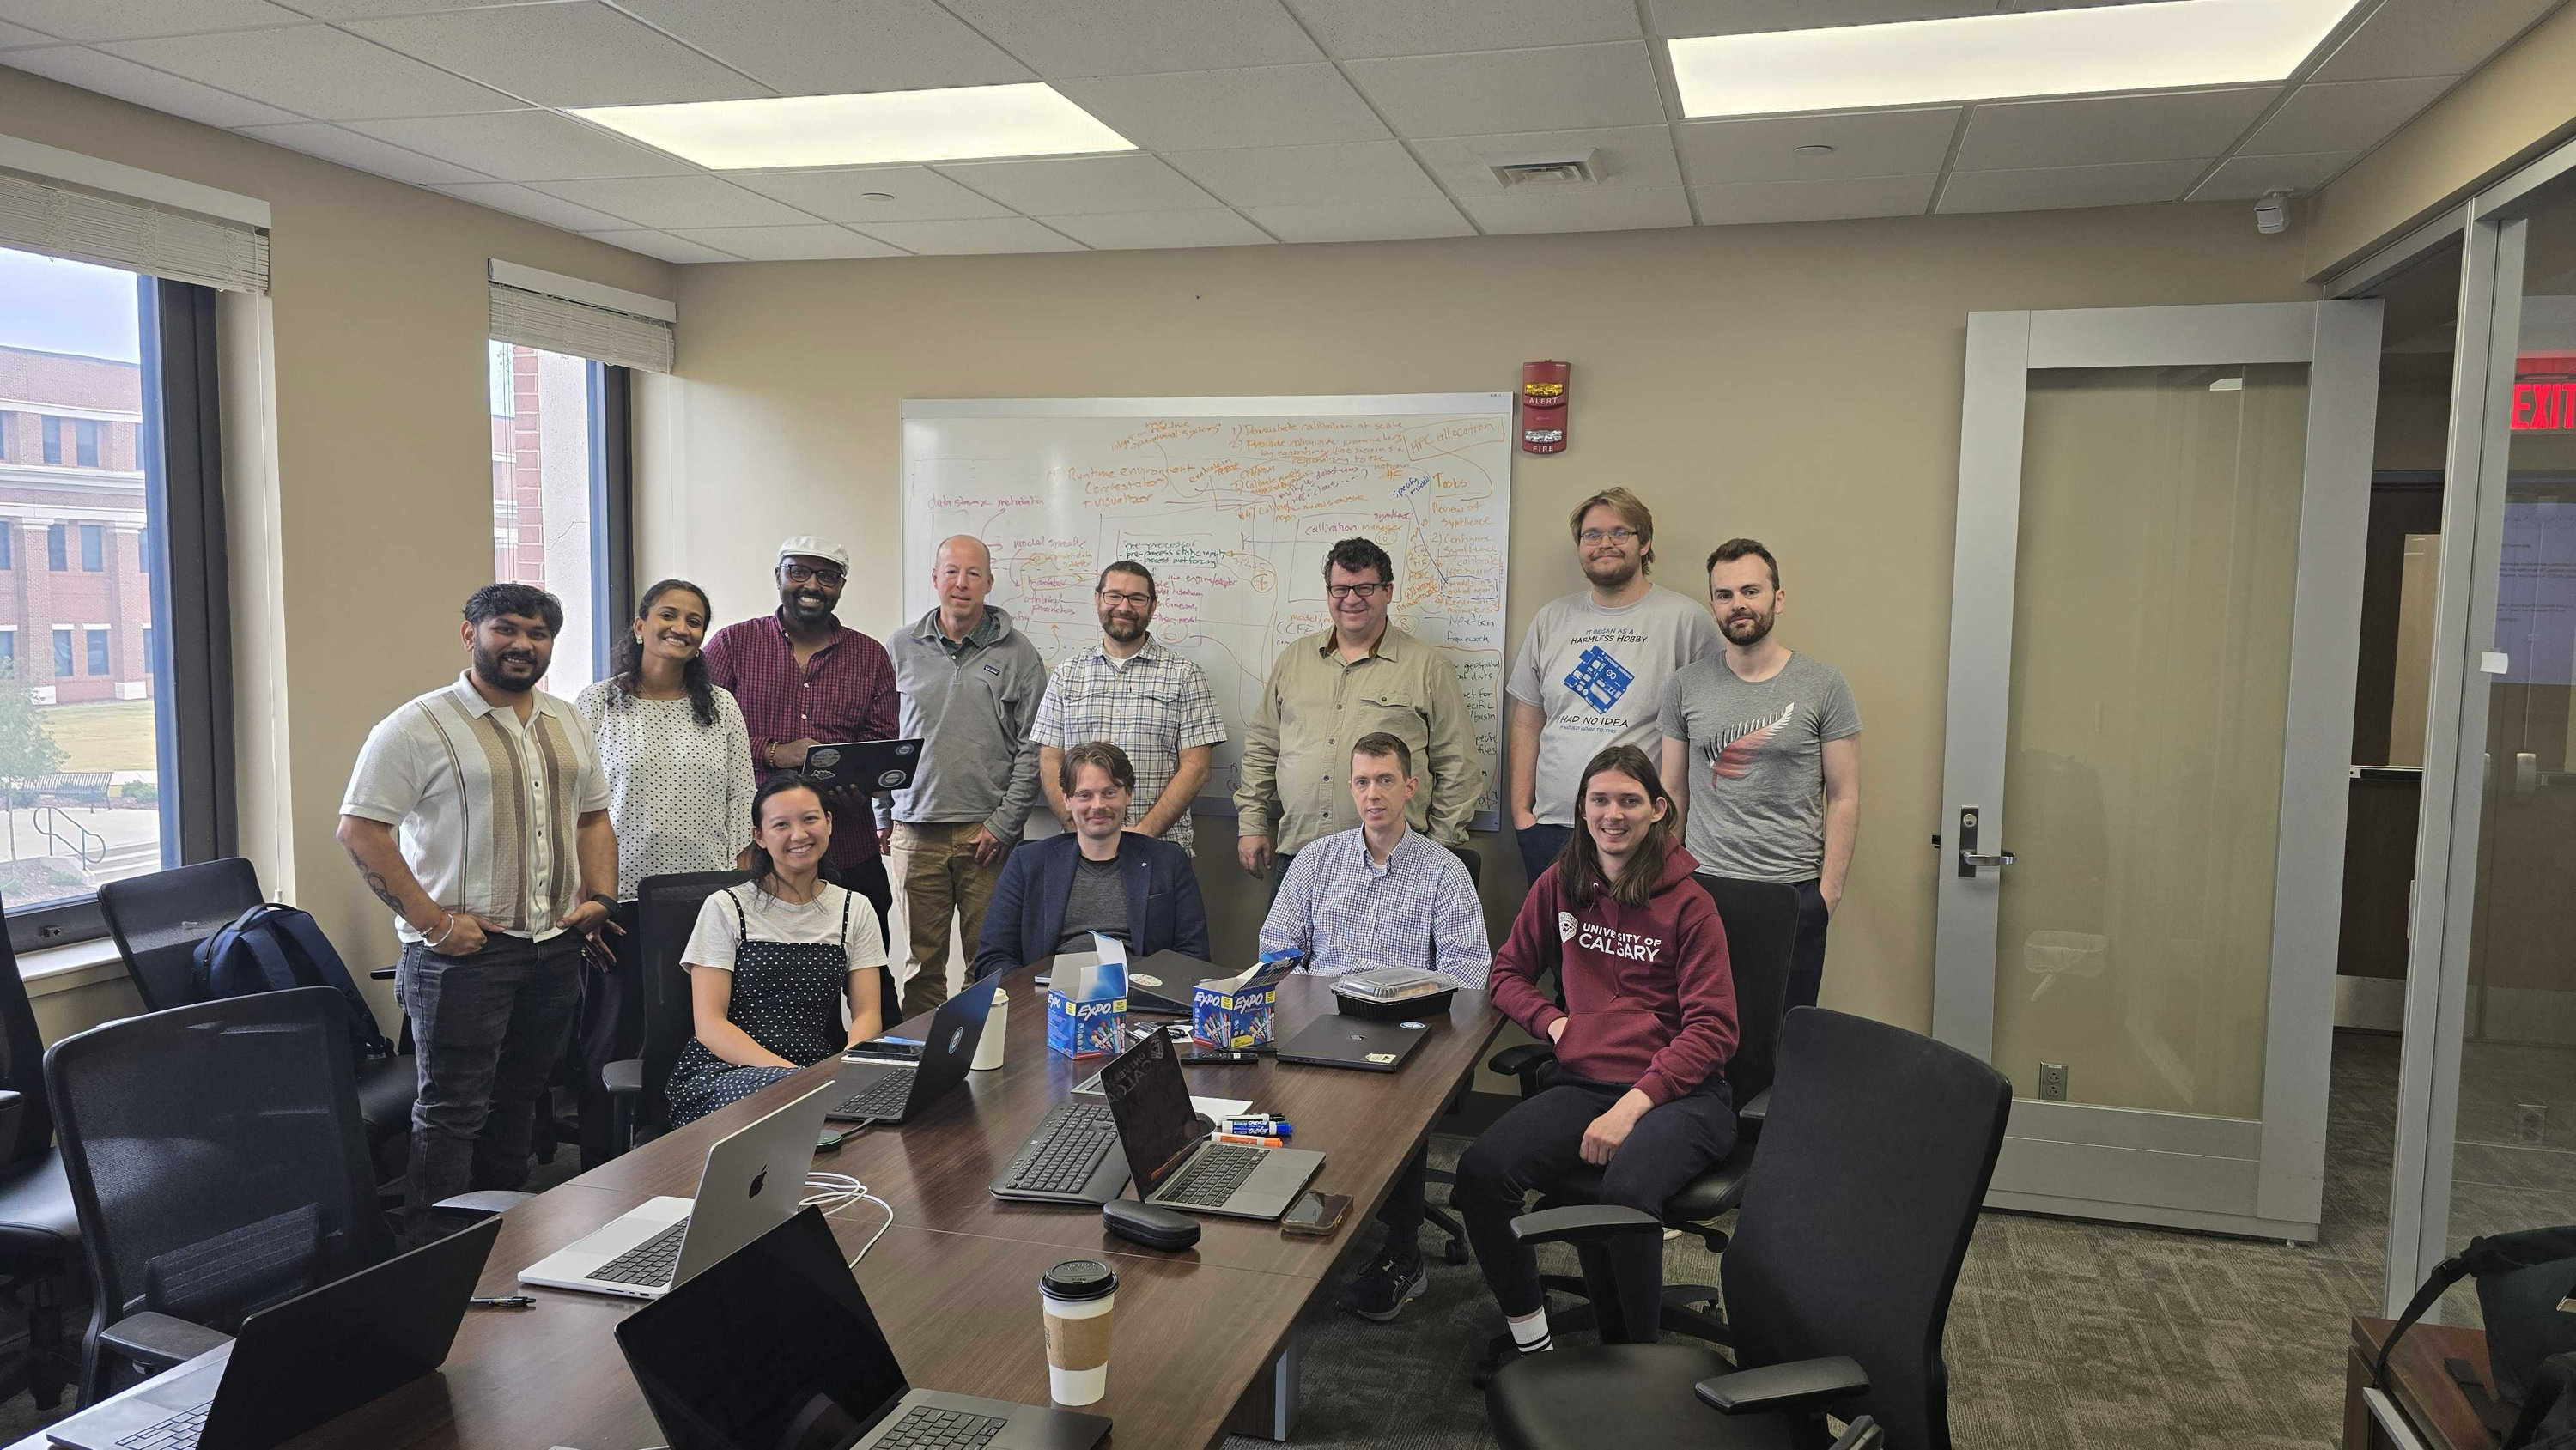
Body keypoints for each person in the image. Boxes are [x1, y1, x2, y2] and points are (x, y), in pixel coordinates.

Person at [337, 583, 617, 1232]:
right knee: (452, 1111)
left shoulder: (568, 720)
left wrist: (601, 895)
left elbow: (594, 816)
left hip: (553, 948)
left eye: (538, 634)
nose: (523, 644)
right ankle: (432, 1256)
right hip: (463, 958)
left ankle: (503, 1239)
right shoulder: (417, 725)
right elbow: (361, 830)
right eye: (506, 629)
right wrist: (435, 924)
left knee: (521, 1099)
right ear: (471, 635)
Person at [1455, 744, 1739, 1358]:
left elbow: (1714, 1030)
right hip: (1584, 1082)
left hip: (1682, 1096)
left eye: (1629, 801)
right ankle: (1533, 1343)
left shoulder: (1691, 905)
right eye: (1600, 800)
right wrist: (1554, 1023)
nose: (1614, 814)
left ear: (1657, 809)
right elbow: (1506, 973)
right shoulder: (1561, 884)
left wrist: (1631, 1108)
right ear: (1582, 808)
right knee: (1481, 1171)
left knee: (1626, 1190)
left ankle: (1639, 1367)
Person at [1259, 733, 1489, 1324]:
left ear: (1410, 786)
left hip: (1408, 1028)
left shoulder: (1444, 871)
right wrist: (1311, 998)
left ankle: (1402, 1254)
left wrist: (1404, 1001)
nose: (1373, 794)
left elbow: (1469, 974)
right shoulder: (1316, 860)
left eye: (1385, 780)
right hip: (1322, 1018)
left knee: (1395, 1101)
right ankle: (1295, 1229)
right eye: (1362, 782)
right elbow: (1277, 952)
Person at [1659, 539, 1861, 1012]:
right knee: (1701, 1025)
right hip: (1704, 887)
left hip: (1791, 891)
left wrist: (1827, 895)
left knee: (1783, 1030)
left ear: (1778, 598)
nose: (1738, 604)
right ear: (1713, 605)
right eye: (1725, 595)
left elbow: (1845, 796)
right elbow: (1672, 791)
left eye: (1751, 591)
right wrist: (1667, 879)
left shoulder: (1824, 684)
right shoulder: (1686, 685)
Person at [1504, 487, 1718, 887]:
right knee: (1554, 930)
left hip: (1639, 830)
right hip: (1553, 827)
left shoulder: (1685, 621)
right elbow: (1527, 720)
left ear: (1645, 543)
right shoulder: (1551, 619)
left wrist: (1673, 832)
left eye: (1620, 532)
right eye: (1592, 534)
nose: (1605, 543)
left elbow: (1710, 729)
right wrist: (1522, 814)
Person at [1236, 537, 1479, 886]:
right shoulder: (1294, 659)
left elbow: (1458, 766)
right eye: (1340, 588)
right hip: (1300, 859)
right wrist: (1252, 823)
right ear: (1329, 592)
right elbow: (1262, 747)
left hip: (1392, 863)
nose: (1351, 599)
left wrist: (1436, 852)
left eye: (1364, 588)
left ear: (1387, 591)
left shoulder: (1427, 667)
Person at [701, 536, 900, 951]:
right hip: (755, 854)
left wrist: (858, 783)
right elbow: (703, 734)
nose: (812, 585)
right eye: (799, 572)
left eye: (827, 576)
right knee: (760, 973)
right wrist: (774, 752)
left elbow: (881, 740)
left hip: (848, 846)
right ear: (778, 576)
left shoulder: (871, 655)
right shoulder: (733, 644)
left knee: (870, 973)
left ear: (840, 586)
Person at [665, 775, 890, 1127]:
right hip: (726, 1074)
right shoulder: (726, 907)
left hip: (814, 1069)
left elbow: (866, 1014)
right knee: (799, 1109)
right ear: (759, 836)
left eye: (810, 819)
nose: (798, 835)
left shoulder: (854, 908)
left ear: (829, 823)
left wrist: (849, 1069)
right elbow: (710, 1026)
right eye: (781, 825)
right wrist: (794, 1078)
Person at [887, 534, 1047, 1017]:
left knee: (989, 964)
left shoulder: (1020, 654)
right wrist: (882, 813)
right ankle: (922, 1056)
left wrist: (1004, 824)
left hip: (987, 836)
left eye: (973, 573)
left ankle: (981, 1055)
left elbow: (1034, 747)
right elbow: (881, 735)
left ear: (989, 582)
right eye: (952, 572)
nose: (961, 583)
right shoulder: (899, 647)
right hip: (915, 830)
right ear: (935, 578)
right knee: (921, 965)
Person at [574, 579, 757, 897]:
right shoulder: (598, 701)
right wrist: (587, 894)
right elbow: (574, 803)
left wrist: (741, 887)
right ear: (640, 627)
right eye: (668, 615)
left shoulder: (722, 704)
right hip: (618, 889)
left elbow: (742, 798)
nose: (681, 628)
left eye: (694, 622)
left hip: (709, 888)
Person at [1030, 561, 1226, 852]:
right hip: (1082, 850)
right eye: (1114, 595)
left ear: (1153, 605)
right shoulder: (1067, 674)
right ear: (1098, 599)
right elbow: (1049, 762)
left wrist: (1143, 834)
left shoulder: (1185, 675)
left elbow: (1196, 768)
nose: (1124, 606)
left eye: (1136, 598)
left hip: (1161, 848)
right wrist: (1077, 831)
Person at [970, 742, 1211, 980]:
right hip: (1049, 994)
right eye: (1085, 795)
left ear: (1127, 794)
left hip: (1140, 993)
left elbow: (1194, 954)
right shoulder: (1028, 862)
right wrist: (1033, 993)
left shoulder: (1168, 861)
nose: (1098, 806)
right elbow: (993, 957)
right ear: (1067, 799)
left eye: (1109, 793)